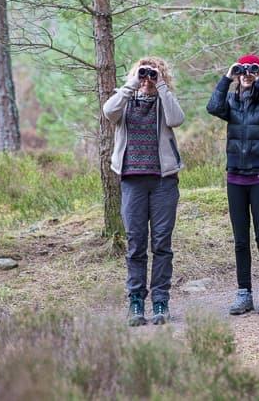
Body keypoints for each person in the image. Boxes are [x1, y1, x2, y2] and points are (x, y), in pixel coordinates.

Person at [103, 57, 184, 326]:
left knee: (162, 243)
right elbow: (108, 112)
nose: (148, 78)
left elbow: (177, 119)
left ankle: (161, 301)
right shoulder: (124, 101)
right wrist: (131, 85)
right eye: (144, 74)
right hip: (132, 182)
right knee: (135, 243)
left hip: (163, 182)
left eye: (153, 74)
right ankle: (136, 301)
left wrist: (161, 86)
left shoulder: (165, 100)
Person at [206, 54, 259, 315]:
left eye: (251, 70)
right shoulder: (232, 101)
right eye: (243, 71)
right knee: (241, 240)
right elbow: (212, 107)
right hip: (235, 178)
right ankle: (244, 294)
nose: (246, 74)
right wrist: (226, 78)